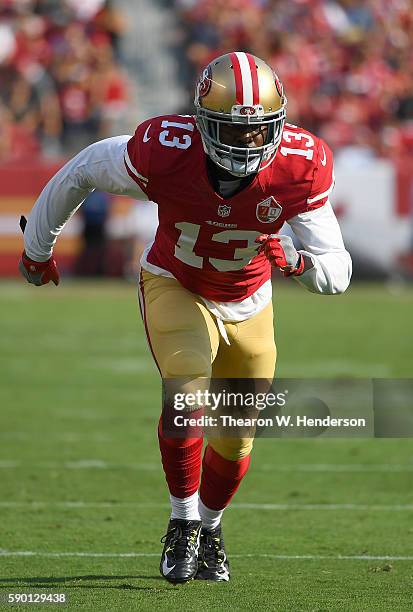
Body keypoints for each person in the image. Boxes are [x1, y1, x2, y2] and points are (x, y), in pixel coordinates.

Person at [19, 52, 352, 584]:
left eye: (258, 130)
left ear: (278, 125)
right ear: (200, 122)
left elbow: (339, 270)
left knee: (238, 437)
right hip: (178, 283)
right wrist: (38, 248)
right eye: (229, 130)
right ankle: (182, 522)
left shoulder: (298, 165)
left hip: (251, 301)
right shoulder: (164, 151)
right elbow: (82, 169)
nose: (245, 143)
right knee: (186, 396)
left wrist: (300, 261)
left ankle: (211, 527)